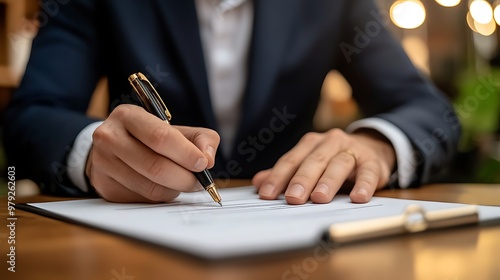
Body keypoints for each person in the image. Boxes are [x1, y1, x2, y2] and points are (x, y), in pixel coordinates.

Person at [4, 0, 460, 205]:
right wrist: (90, 152)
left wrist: (377, 145)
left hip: (291, 233)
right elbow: (30, 116)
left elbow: (431, 110)